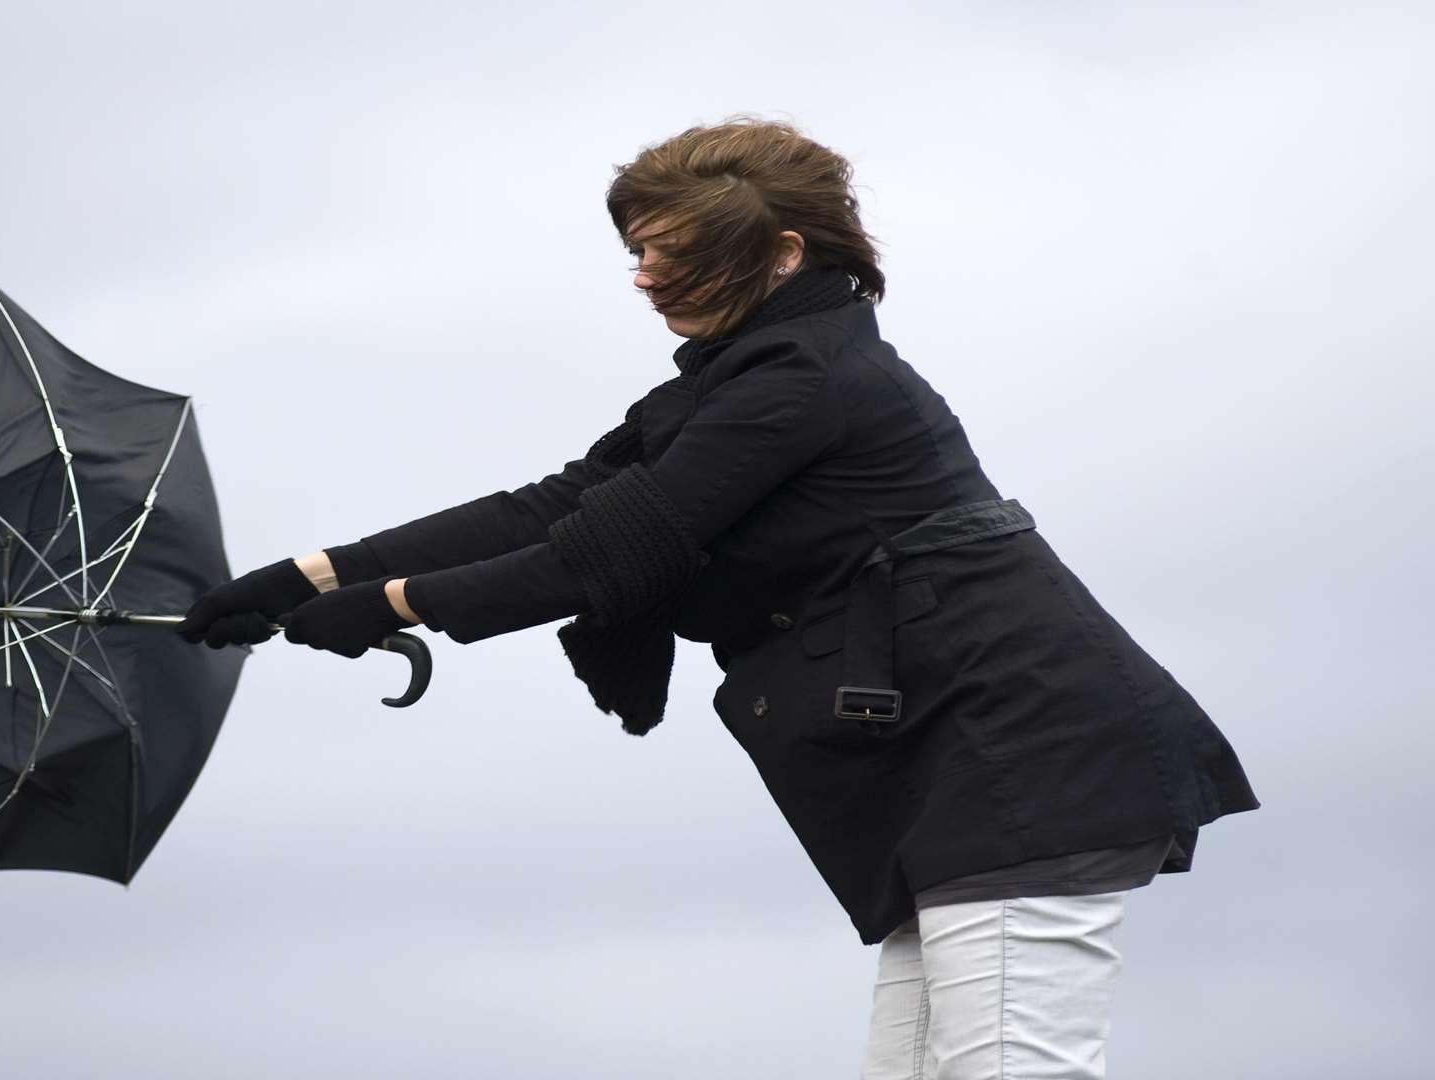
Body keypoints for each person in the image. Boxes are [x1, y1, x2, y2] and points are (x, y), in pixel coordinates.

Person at [175, 115, 1260, 1078]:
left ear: (783, 253)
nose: (642, 275)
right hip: (956, 779)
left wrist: (393, 606)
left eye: (668, 252)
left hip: (1025, 766)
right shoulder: (743, 380)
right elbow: (547, 510)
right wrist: (313, 575)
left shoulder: (804, 384)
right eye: (638, 251)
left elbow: (599, 556)